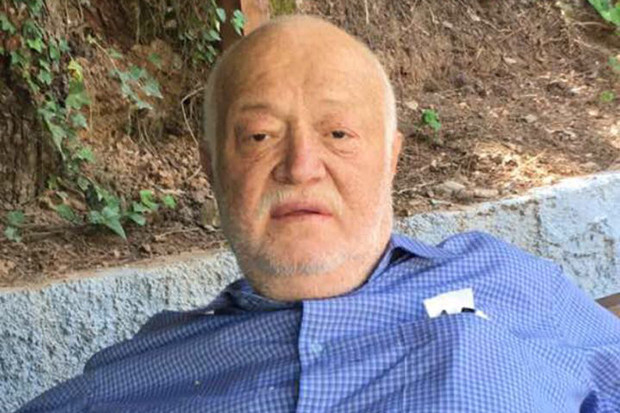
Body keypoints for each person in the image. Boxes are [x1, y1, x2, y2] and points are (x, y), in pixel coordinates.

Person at [19, 15, 620, 413]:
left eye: (338, 133)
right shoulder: (128, 380)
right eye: (258, 136)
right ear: (213, 169)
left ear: (390, 158)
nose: (300, 166)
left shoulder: (508, 284)